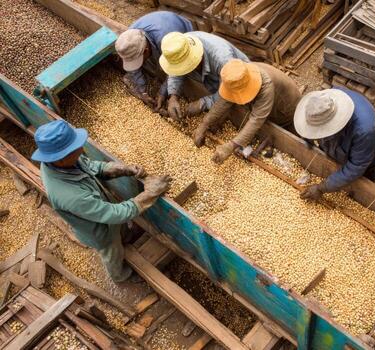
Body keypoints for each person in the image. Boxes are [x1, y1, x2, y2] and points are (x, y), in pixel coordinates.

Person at [32, 120, 171, 282]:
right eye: (75, 149)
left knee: (120, 231)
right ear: (61, 158)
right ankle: (122, 276)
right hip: (99, 232)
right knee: (112, 252)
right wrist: (150, 194)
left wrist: (122, 169)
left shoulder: (56, 162)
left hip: (104, 215)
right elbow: (114, 214)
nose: (81, 150)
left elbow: (89, 165)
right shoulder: (70, 195)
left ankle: (125, 238)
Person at [193, 59, 302, 164]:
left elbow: (256, 120)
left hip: (286, 107)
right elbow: (223, 101)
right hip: (268, 104)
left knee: (293, 133)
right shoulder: (237, 77)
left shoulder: (265, 86)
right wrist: (204, 124)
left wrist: (231, 146)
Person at [294, 88, 375, 200]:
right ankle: (338, 176)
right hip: (341, 144)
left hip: (364, 151)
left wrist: (322, 188)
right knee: (333, 158)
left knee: (365, 177)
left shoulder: (365, 131)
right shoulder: (323, 101)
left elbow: (356, 167)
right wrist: (308, 137)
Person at [159, 31, 249, 120]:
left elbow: (230, 91)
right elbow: (176, 69)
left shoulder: (222, 59)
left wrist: (202, 104)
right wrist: (173, 96)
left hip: (241, 81)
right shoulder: (179, 45)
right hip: (215, 79)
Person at [115, 11, 193, 110]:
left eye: (138, 60)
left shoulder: (167, 42)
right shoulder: (130, 37)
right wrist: (143, 91)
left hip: (184, 33)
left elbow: (177, 68)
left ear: (146, 50)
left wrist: (163, 93)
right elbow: (133, 69)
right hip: (159, 25)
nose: (136, 64)